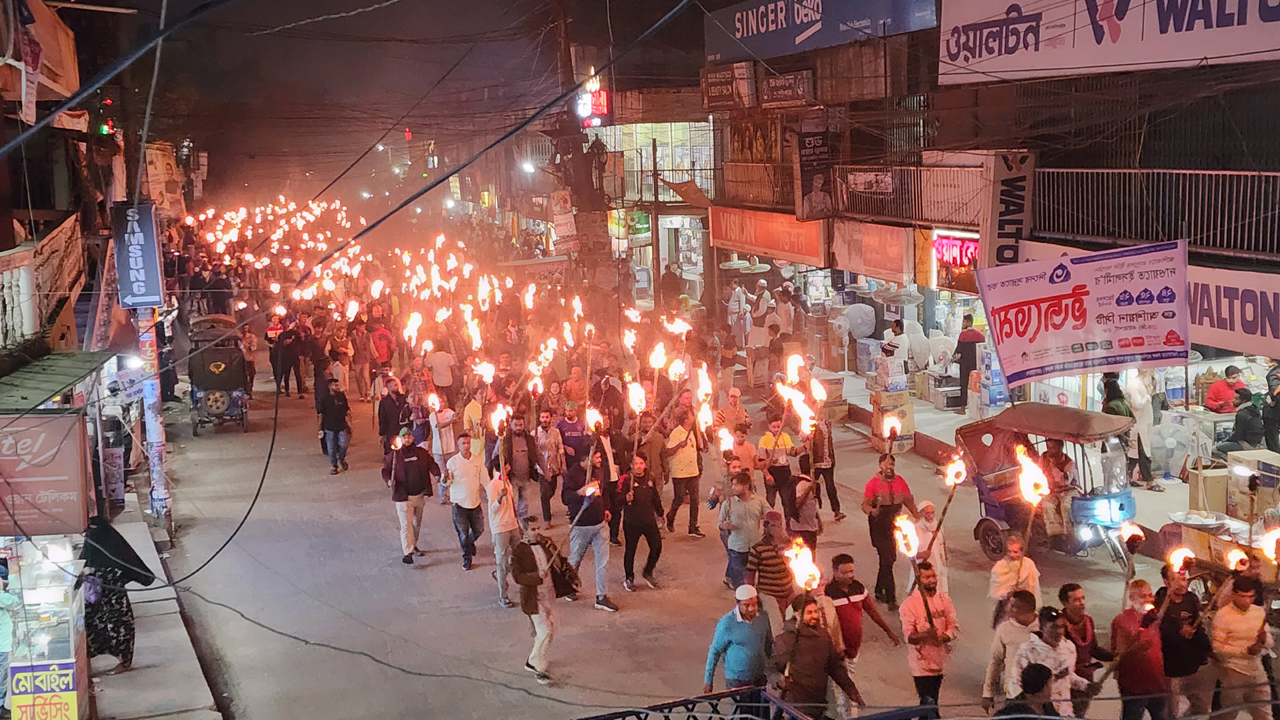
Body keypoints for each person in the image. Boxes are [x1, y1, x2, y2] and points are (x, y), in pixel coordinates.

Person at [826, 553, 901, 719]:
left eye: (851, 571)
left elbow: (872, 611)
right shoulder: (828, 593)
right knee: (843, 686)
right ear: (835, 572)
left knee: (846, 685)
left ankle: (846, 712)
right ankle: (847, 714)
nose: (850, 575)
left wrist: (888, 631)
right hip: (838, 651)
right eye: (845, 572)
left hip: (855, 648)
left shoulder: (858, 588)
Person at [769, 594, 865, 719]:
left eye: (815, 611)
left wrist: (851, 690)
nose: (814, 615)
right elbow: (770, 669)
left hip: (818, 702)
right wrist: (778, 679)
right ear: (797, 614)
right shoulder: (786, 640)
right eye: (809, 612)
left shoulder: (823, 637)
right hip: (795, 707)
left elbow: (835, 667)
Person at [82, 516, 157, 672]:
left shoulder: (109, 542)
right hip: (95, 596)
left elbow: (126, 562)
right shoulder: (93, 539)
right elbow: (84, 561)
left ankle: (124, 661)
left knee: (119, 625)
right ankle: (89, 660)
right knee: (92, 625)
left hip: (114, 595)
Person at [562, 436, 619, 612]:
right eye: (597, 457)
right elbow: (565, 498)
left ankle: (601, 597)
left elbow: (604, 491)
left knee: (602, 562)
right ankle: (568, 587)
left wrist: (606, 508)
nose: (600, 460)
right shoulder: (572, 474)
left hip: (600, 524)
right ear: (586, 459)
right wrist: (580, 492)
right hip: (580, 526)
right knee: (575, 560)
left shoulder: (598, 470)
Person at [1012, 606, 1099, 718]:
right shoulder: (1028, 650)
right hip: (1039, 713)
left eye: (1061, 626)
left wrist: (1085, 685)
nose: (1059, 631)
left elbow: (1068, 676)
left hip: (1065, 711)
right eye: (1053, 627)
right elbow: (1017, 683)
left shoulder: (1069, 647)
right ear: (1042, 627)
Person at [900, 563, 957, 720]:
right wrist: (926, 635)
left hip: (939, 660)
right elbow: (909, 637)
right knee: (928, 704)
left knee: (933, 702)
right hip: (921, 663)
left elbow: (953, 627)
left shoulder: (944, 600)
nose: (932, 580)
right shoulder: (909, 605)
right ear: (919, 579)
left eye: (933, 576)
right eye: (926, 577)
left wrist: (943, 637)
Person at [1211, 574, 1273, 720]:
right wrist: (1244, 651)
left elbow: (1269, 640)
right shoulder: (1223, 616)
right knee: (1229, 712)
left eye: (1250, 596)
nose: (1247, 600)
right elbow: (1218, 647)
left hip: (1256, 669)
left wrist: (1263, 643)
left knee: (1264, 711)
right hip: (1233, 671)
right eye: (1243, 596)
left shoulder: (1258, 612)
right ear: (1234, 594)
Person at [1157, 565, 1213, 718]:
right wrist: (1179, 632)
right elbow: (1158, 630)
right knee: (1170, 712)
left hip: (1192, 666)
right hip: (1170, 669)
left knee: (1201, 707)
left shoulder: (1191, 599)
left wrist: (1207, 649)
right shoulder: (1160, 601)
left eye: (1183, 578)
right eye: (1175, 579)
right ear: (1166, 581)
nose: (1182, 584)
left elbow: (1198, 626)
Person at [862, 453, 917, 610]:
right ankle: (891, 598)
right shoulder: (873, 484)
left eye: (891, 464)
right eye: (886, 464)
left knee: (888, 560)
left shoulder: (900, 482)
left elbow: (909, 501)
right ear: (880, 465)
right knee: (887, 558)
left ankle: (879, 590)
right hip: (879, 525)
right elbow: (864, 504)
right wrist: (872, 511)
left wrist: (919, 518)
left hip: (894, 526)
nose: (889, 467)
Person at [1110, 579, 1167, 720]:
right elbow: (1122, 651)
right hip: (1134, 686)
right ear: (1131, 599)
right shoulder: (1122, 620)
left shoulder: (1157, 617)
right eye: (1142, 596)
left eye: (1149, 595)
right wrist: (1142, 629)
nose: (1147, 599)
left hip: (1158, 683)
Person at [512, 516, 556, 685]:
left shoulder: (545, 544)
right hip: (533, 598)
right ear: (524, 530)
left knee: (548, 632)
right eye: (533, 529)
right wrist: (536, 577)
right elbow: (517, 577)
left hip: (547, 595)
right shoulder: (519, 551)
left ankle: (535, 660)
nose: (537, 532)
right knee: (545, 632)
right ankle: (537, 665)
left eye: (538, 528)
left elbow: (558, 562)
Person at [705, 585, 774, 694]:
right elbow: (715, 651)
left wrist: (772, 669)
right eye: (746, 605)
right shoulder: (727, 623)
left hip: (759, 676)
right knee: (742, 710)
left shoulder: (763, 617)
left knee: (761, 710)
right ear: (738, 603)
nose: (751, 608)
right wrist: (708, 681)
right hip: (737, 680)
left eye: (754, 604)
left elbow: (769, 643)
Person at [382, 428, 434, 565]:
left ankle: (413, 544)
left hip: (419, 495)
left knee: (416, 524)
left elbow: (431, 464)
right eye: (404, 437)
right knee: (406, 525)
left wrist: (439, 474)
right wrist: (389, 480)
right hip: (403, 497)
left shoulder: (421, 453)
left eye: (409, 436)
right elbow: (386, 471)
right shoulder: (394, 456)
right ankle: (408, 552)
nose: (407, 439)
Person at [1059, 583, 1113, 717]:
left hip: (1086, 681)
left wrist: (1114, 656)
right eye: (1076, 600)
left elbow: (1093, 649)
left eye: (1083, 598)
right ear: (1064, 603)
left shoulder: (1088, 621)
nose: (1081, 603)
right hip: (1067, 684)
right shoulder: (1058, 625)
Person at [982, 590, 1040, 713]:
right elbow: (995, 661)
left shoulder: (1043, 627)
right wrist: (988, 692)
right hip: (1014, 692)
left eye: (1012, 605)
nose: (1008, 607)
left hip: (1040, 694)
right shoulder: (1004, 629)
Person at [620, 454, 663, 592]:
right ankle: (629, 577)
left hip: (649, 520)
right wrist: (626, 498)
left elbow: (655, 496)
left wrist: (660, 513)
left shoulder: (650, 477)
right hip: (632, 521)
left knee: (657, 547)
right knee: (631, 550)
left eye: (641, 463)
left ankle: (648, 571)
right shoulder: (626, 480)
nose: (639, 466)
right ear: (631, 465)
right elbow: (617, 499)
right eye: (636, 463)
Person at [721, 471, 770, 589]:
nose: (733, 488)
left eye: (736, 485)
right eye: (732, 485)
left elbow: (771, 515)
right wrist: (726, 526)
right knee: (741, 583)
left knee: (751, 578)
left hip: (754, 546)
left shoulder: (759, 501)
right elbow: (720, 523)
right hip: (737, 547)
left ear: (746, 486)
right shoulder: (728, 503)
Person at [444, 431, 486, 570]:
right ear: (458, 445)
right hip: (459, 504)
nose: (466, 446)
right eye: (463, 443)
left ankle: (469, 543)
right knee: (463, 533)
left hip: (475, 502)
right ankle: (466, 558)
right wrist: (444, 478)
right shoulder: (452, 462)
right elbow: (447, 482)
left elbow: (484, 478)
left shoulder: (477, 460)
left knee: (479, 529)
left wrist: (493, 492)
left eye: (468, 443)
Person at [666, 408, 705, 538]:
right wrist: (679, 445)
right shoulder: (676, 433)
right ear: (686, 419)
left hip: (693, 470)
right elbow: (668, 451)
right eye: (691, 416)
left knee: (695, 499)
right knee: (679, 498)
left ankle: (693, 526)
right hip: (680, 472)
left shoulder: (692, 432)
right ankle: (670, 516)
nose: (693, 417)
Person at [747, 511, 794, 617]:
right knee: (776, 624)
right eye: (773, 525)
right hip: (768, 594)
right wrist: (751, 595)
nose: (777, 529)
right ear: (766, 527)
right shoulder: (758, 548)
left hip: (788, 593)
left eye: (780, 525)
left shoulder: (790, 545)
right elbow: (750, 574)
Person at [489, 460, 521, 608]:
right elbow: (493, 509)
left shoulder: (508, 482)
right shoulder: (493, 485)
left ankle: (502, 573)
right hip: (500, 527)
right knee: (501, 560)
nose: (509, 467)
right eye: (507, 465)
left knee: (518, 557)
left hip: (512, 524)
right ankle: (503, 595)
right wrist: (500, 498)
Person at [989, 536, 1041, 627]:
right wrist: (1008, 593)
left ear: (1022, 551)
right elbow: (996, 592)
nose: (1012, 555)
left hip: (1025, 608)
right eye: (1009, 551)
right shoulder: (1000, 566)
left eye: (1015, 552)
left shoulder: (1028, 564)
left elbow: (1033, 587)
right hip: (1007, 610)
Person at [501, 415, 541, 520]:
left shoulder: (529, 440)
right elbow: (496, 456)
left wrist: (545, 471)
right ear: (511, 425)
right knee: (512, 505)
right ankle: (514, 526)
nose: (518, 427)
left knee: (524, 506)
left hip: (526, 477)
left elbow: (538, 455)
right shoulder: (505, 440)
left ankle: (523, 528)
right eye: (516, 425)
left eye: (521, 425)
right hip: (512, 479)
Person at [758, 416, 800, 516]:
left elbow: (792, 452)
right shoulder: (764, 440)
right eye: (774, 427)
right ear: (769, 427)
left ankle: (789, 525)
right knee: (770, 501)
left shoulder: (785, 437)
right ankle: (768, 526)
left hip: (784, 471)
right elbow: (761, 462)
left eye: (778, 426)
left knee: (787, 500)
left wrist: (804, 446)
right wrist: (767, 474)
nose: (776, 429)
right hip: (771, 472)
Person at [806, 415, 842, 522]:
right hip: (816, 462)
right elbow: (803, 437)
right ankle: (813, 512)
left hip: (828, 461)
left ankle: (836, 511)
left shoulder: (826, 423)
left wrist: (832, 457)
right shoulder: (810, 423)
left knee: (831, 487)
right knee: (812, 487)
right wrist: (808, 437)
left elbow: (829, 442)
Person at [534, 409, 566, 525]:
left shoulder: (556, 432)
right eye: (542, 417)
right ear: (539, 418)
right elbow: (534, 452)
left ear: (550, 418)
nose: (544, 420)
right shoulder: (535, 433)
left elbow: (560, 448)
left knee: (552, 490)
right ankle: (547, 519)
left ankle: (546, 504)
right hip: (542, 469)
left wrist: (563, 464)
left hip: (554, 467)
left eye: (547, 417)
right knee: (544, 494)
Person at [1216, 387, 1265, 458]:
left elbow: (1237, 435)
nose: (1233, 400)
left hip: (1246, 444)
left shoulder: (1242, 414)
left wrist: (1224, 441)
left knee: (1216, 449)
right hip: (1256, 442)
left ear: (1243, 400)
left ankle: (1230, 464)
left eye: (1236, 399)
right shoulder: (1254, 409)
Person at [911, 501, 948, 595]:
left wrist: (944, 557)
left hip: (937, 564)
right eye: (927, 513)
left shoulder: (937, 526)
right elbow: (910, 553)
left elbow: (941, 543)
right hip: (922, 566)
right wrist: (921, 555)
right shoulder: (915, 530)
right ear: (921, 513)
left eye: (932, 512)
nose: (931, 515)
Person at [318, 377, 351, 474]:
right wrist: (320, 428)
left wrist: (349, 422)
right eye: (334, 385)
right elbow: (321, 413)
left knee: (344, 444)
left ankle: (341, 458)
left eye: (337, 385)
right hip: (329, 426)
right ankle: (334, 465)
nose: (337, 387)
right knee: (331, 447)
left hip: (341, 424)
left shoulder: (341, 396)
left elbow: (347, 409)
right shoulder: (324, 398)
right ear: (329, 387)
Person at [954, 314, 985, 409]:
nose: (963, 324)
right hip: (977, 364)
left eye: (964, 322)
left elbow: (958, 350)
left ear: (968, 322)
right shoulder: (981, 335)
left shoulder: (963, 335)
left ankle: (963, 406)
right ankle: (979, 405)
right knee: (978, 384)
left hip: (965, 364)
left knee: (964, 384)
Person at [788, 474, 821, 550]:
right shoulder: (803, 484)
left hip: (810, 527)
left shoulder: (809, 483)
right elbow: (797, 504)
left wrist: (818, 520)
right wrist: (808, 489)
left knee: (810, 555)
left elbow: (812, 504)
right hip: (802, 528)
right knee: (803, 554)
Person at [377, 377, 410, 454]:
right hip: (391, 430)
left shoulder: (402, 398)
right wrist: (383, 433)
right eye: (393, 385)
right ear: (388, 387)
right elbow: (382, 418)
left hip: (403, 429)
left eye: (396, 385)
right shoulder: (384, 402)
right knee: (392, 452)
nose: (396, 387)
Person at [426, 344, 458, 409]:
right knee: (450, 398)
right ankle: (452, 411)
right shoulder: (448, 356)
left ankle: (441, 410)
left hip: (437, 381)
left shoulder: (431, 357)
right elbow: (454, 368)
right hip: (448, 381)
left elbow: (429, 368)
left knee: (439, 398)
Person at [1265, 358, 1280, 453]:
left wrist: (1271, 402)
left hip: (1275, 411)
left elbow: (1276, 392)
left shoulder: (1274, 374)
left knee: (1272, 439)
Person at [239, 326, 259, 397]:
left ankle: (250, 389)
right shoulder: (238, 337)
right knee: (242, 375)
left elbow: (254, 347)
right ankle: (245, 391)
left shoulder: (251, 336)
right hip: (240, 359)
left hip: (249, 358)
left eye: (247, 328)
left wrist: (249, 346)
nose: (245, 330)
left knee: (251, 375)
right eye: (244, 328)